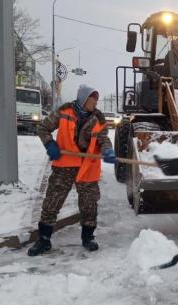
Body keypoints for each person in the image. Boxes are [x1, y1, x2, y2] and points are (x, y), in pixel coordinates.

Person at [28, 85, 116, 256]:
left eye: (97, 99)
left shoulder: (98, 118)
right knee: (52, 201)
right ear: (84, 99)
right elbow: (43, 128)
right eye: (93, 99)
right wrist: (49, 143)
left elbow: (103, 139)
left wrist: (107, 150)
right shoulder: (64, 111)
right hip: (65, 165)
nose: (95, 102)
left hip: (88, 166)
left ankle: (88, 237)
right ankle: (44, 240)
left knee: (89, 204)